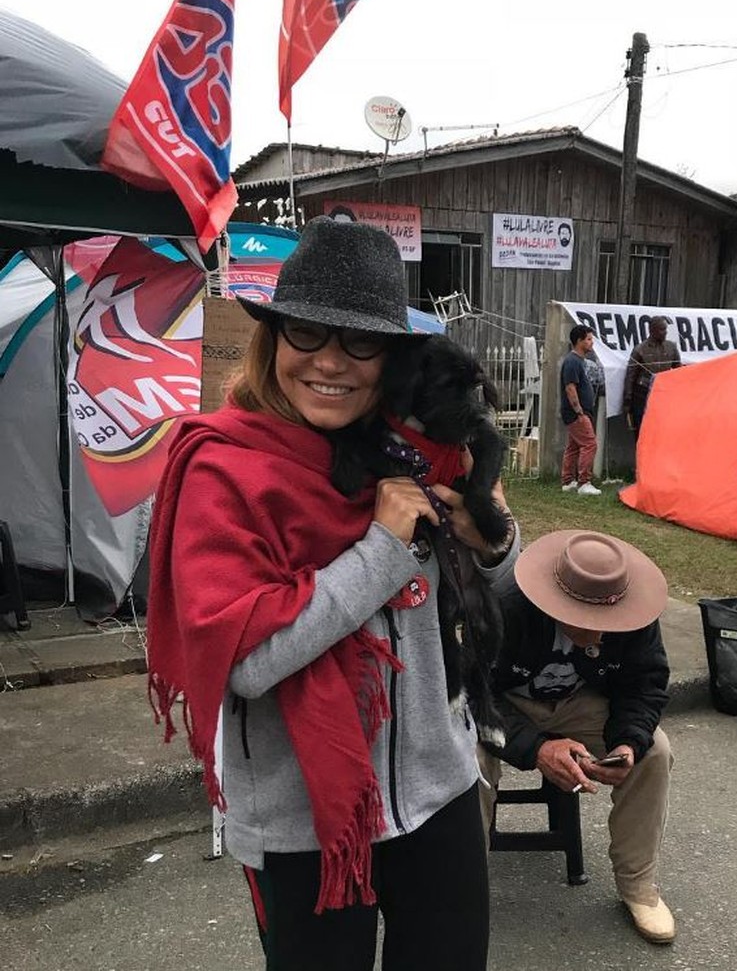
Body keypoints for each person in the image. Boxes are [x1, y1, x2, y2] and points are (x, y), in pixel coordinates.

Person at [146, 218, 518, 971]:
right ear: (273, 337)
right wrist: (382, 549)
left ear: (390, 359)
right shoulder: (225, 472)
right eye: (308, 332)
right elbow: (245, 663)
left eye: (360, 342)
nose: (329, 361)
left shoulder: (410, 452)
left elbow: (497, 584)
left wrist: (494, 542)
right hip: (304, 821)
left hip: (439, 792)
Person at [477, 530, 676, 945]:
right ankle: (463, 878)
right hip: (504, 703)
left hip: (578, 701)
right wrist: (537, 748)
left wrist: (628, 743)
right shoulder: (504, 605)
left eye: (612, 619)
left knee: (654, 751)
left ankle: (638, 885)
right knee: (468, 759)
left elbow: (644, 685)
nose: (604, 635)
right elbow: (473, 694)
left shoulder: (633, 609)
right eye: (591, 623)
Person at [621, 318, 681, 437]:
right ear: (652, 330)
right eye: (662, 329)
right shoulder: (640, 349)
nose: (665, 332)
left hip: (664, 394)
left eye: (665, 329)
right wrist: (627, 400)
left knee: (663, 430)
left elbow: (679, 372)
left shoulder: (671, 347)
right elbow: (631, 376)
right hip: (642, 394)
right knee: (642, 430)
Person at [560, 324, 601, 495]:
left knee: (574, 446)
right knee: (590, 444)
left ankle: (568, 481)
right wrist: (579, 411)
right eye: (589, 339)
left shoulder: (579, 361)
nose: (592, 343)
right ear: (579, 341)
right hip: (576, 413)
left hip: (580, 412)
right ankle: (584, 482)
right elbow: (570, 388)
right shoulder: (572, 362)